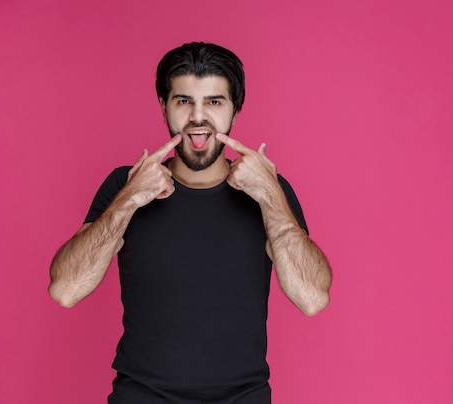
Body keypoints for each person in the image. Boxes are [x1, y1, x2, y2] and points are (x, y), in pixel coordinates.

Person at [49, 42, 332, 403]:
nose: (199, 117)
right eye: (184, 101)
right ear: (164, 107)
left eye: (214, 102)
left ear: (235, 111)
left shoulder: (268, 191)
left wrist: (271, 196)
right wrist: (130, 199)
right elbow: (65, 290)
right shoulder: (126, 184)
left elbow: (311, 298)